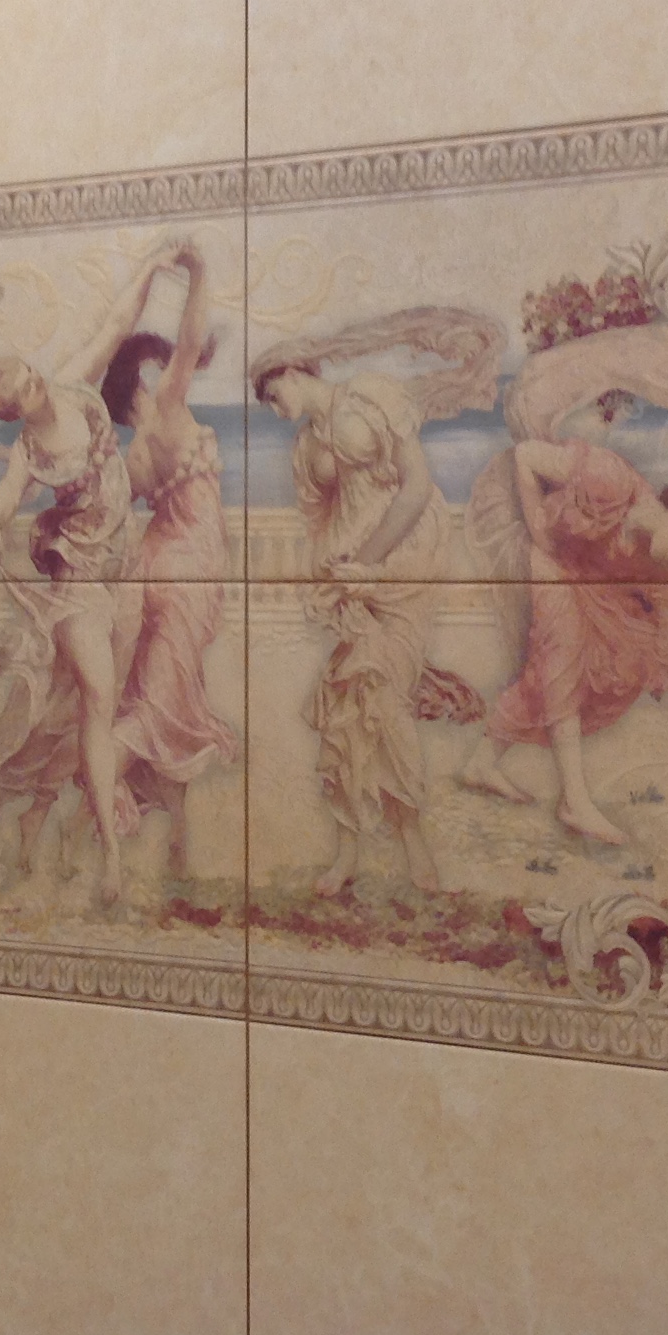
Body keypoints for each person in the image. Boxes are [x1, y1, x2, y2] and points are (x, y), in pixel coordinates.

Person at [0, 244, 192, 903]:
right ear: (13, 410)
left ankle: (35, 810)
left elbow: (116, 323)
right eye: (25, 391)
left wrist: (150, 267)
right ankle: (111, 857)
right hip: (79, 577)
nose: (38, 387)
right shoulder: (28, 449)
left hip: (123, 564)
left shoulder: (77, 386)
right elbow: (6, 495)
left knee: (87, 708)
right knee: (100, 701)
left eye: (32, 375)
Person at [253, 307, 501, 896]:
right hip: (352, 582)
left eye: (273, 394)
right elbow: (320, 523)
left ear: (292, 371)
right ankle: (347, 852)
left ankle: (415, 848)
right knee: (346, 713)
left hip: (403, 566)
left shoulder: (369, 395)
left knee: (385, 704)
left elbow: (416, 487)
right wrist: (330, 581)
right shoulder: (305, 447)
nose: (274, 409)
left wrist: (370, 563)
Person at [456, 434, 668, 842]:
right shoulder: (609, 479)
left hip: (588, 577)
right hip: (551, 553)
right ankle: (574, 802)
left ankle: (480, 763)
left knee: (566, 667)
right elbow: (526, 455)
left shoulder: (661, 563)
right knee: (563, 648)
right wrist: (539, 530)